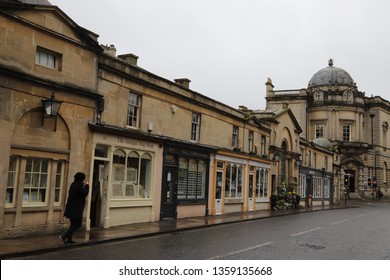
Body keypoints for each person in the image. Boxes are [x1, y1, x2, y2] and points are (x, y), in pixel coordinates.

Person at [59, 172, 89, 245]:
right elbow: (84, 193)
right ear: (81, 179)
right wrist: (87, 186)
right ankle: (64, 235)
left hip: (71, 207)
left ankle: (69, 239)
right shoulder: (79, 186)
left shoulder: (73, 184)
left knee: (73, 224)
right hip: (76, 208)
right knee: (78, 224)